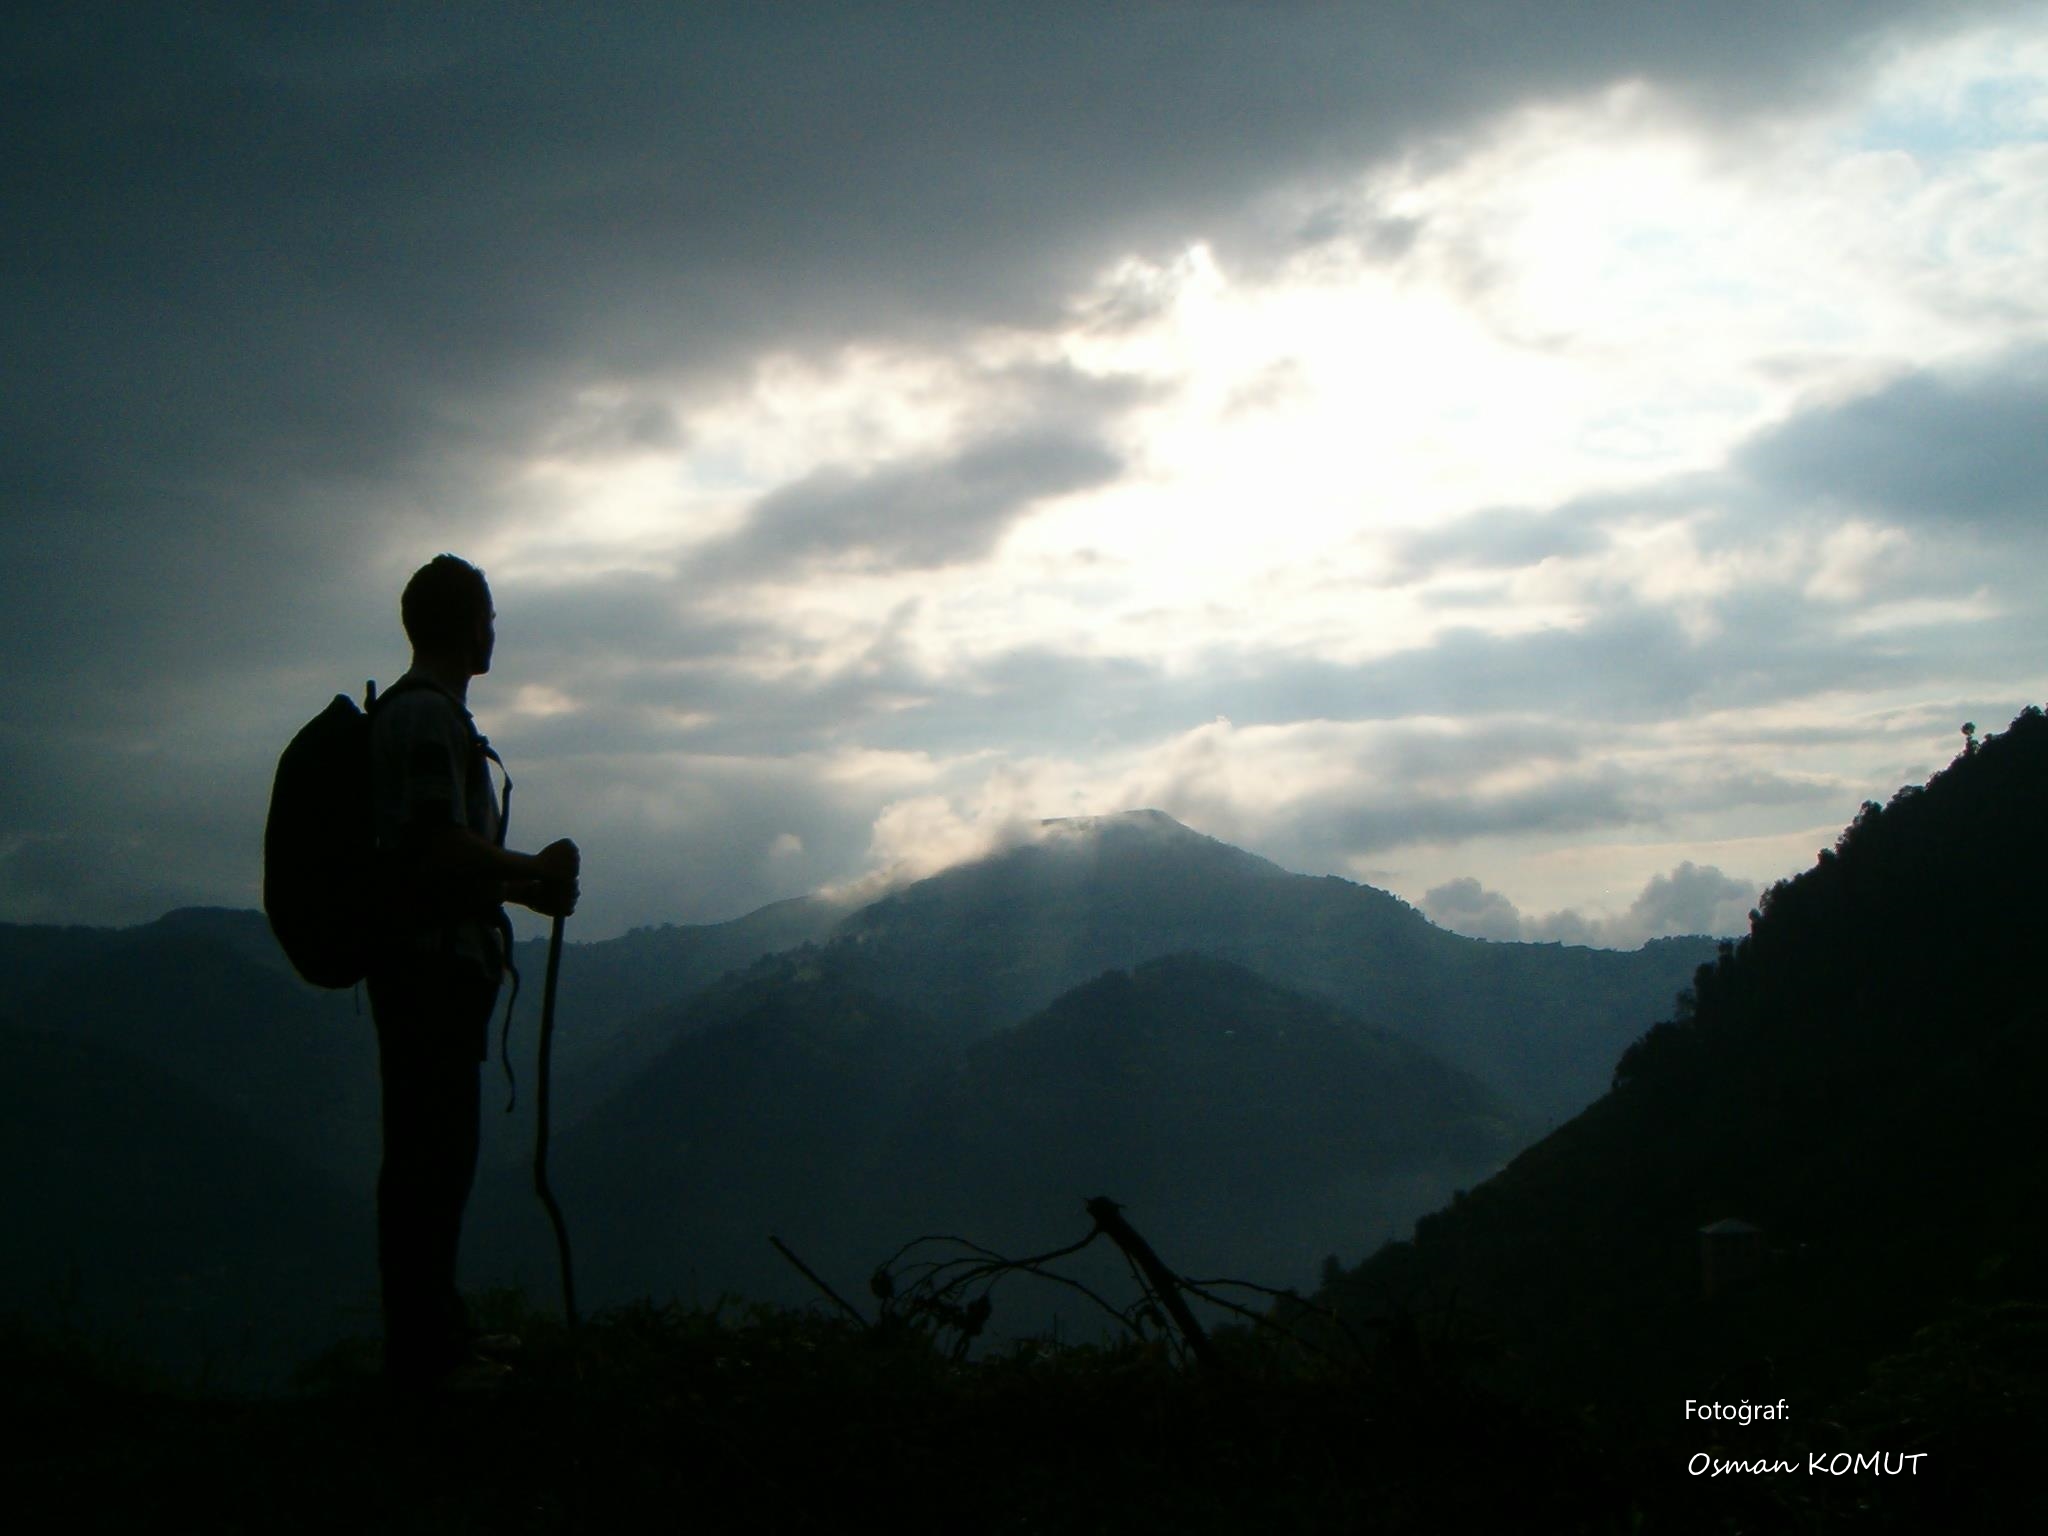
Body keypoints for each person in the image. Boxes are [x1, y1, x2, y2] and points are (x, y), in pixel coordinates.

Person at [367, 553, 579, 1390]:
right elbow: (430, 845)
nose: (495, 630)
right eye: (487, 615)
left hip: (433, 970)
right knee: (428, 1159)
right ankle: (425, 1357)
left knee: (437, 1157)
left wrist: (524, 891)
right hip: (427, 976)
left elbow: (446, 866)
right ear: (459, 623)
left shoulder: (432, 719)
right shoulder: (426, 722)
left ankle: (438, 1335)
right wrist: (531, 870)